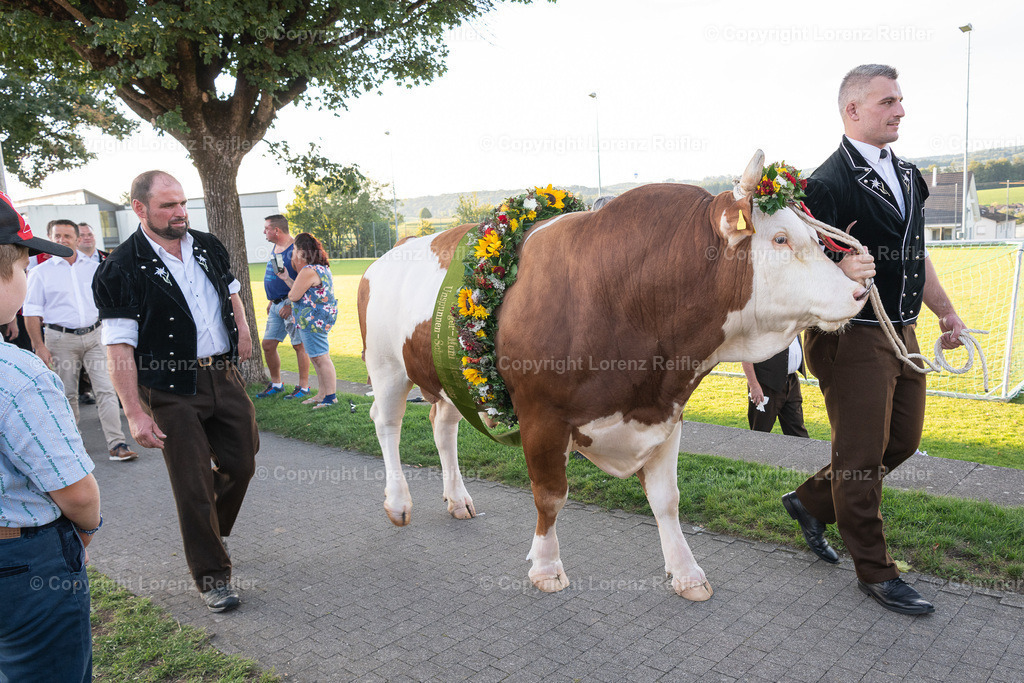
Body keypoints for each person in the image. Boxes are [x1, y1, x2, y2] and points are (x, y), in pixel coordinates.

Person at [782, 64, 966, 616]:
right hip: (851, 336)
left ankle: (811, 502)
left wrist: (948, 314)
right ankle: (877, 572)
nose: (901, 110)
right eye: (888, 102)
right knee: (860, 459)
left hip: (902, 330)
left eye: (901, 100)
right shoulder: (823, 185)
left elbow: (917, 256)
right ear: (853, 111)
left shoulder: (910, 175)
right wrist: (841, 269)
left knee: (902, 442)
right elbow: (800, 265)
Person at [93, 170, 259, 612]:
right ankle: (211, 577)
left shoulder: (207, 245)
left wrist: (242, 331)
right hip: (168, 387)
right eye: (168, 205)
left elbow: (232, 292)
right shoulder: (120, 267)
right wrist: (134, 412)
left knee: (242, 461)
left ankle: (209, 531)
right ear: (140, 209)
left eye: (183, 202)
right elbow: (119, 348)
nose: (180, 212)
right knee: (192, 483)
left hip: (222, 374)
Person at [0, 191, 102, 683]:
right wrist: (85, 531)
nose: (27, 277)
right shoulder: (17, 374)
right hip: (23, 562)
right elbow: (78, 492)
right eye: (22, 266)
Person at [23, 219, 137, 462]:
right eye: (57, 236)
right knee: (67, 394)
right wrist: (39, 346)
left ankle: (117, 444)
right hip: (59, 339)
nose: (62, 240)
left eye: (67, 235)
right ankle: (74, 447)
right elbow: (32, 313)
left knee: (106, 390)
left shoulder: (95, 267)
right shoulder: (39, 273)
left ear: (77, 239)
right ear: (50, 239)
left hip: (96, 336)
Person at [276, 232, 338, 409]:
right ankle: (322, 394)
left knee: (321, 357)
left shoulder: (307, 270)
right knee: (316, 357)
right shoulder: (319, 268)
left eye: (294, 249)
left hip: (312, 320)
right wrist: (287, 278)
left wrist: (291, 288)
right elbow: (302, 293)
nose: (292, 252)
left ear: (302, 251)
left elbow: (294, 295)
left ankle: (331, 398)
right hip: (316, 318)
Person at [257, 214, 311, 399]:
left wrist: (290, 304)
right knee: (268, 345)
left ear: (276, 230)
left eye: (266, 228)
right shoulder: (276, 247)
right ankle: (277, 384)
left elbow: (305, 281)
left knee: (299, 346)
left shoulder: (297, 249)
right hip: (276, 305)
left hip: (292, 305)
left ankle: (304, 387)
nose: (264, 231)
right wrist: (272, 300)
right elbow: (279, 274)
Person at [741, 337, 808, 438]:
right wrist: (754, 385)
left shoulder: (794, 321)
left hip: (791, 381)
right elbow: (746, 354)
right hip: (765, 384)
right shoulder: (762, 322)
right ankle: (754, 453)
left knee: (798, 433)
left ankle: (803, 454)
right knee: (759, 433)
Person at [76, 223, 107, 404]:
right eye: (83, 235)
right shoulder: (68, 263)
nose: (87, 237)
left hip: (101, 318)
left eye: (90, 234)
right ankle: (85, 390)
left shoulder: (106, 258)